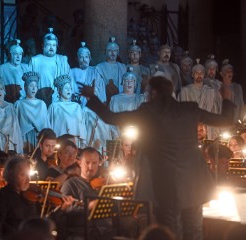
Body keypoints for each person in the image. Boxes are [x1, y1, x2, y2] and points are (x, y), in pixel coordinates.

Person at [80, 76, 235, 239]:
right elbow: (225, 120)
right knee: (194, 231)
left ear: (153, 93)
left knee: (170, 232)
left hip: (165, 184)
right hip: (194, 182)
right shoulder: (190, 109)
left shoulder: (148, 111)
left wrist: (91, 96)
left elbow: (110, 117)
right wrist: (226, 98)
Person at [179, 59, 221, 139]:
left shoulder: (210, 92)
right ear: (192, 74)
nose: (199, 75)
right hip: (191, 126)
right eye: (196, 73)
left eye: (201, 73)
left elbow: (214, 112)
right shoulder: (185, 91)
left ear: (204, 74)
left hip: (207, 127)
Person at [29, 27, 71, 106]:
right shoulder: (35, 60)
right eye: (48, 45)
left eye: (54, 45)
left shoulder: (62, 60)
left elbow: (68, 81)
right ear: (43, 46)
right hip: (40, 98)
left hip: (58, 99)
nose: (51, 47)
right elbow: (29, 82)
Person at [14, 72, 50, 153]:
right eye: (31, 86)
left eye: (35, 86)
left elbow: (46, 122)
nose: (34, 89)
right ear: (25, 87)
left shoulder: (41, 104)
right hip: (24, 138)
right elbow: (15, 124)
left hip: (39, 137)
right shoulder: (19, 104)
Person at [47, 75, 86, 147]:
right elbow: (48, 125)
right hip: (59, 141)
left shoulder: (76, 106)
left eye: (70, 88)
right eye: (66, 88)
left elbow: (81, 125)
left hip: (74, 141)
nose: (69, 90)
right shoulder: (54, 106)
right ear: (59, 90)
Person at [70, 42, 106, 107]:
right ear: (77, 59)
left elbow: (101, 91)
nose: (84, 60)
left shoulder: (95, 72)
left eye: (86, 57)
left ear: (90, 58)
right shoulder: (72, 72)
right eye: (81, 57)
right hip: (77, 106)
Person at [96, 37, 127, 103]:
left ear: (117, 52)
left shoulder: (123, 67)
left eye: (115, 51)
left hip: (120, 99)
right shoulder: (99, 67)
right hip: (105, 99)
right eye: (110, 50)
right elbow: (98, 87)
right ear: (106, 52)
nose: (113, 53)